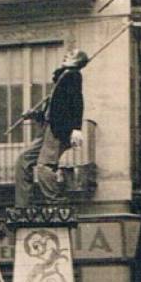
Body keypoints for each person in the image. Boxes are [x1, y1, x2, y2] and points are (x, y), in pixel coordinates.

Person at [14, 49, 88, 206]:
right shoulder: (62, 77)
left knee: (44, 167)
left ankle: (56, 202)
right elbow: (54, 111)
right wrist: (34, 115)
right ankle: (23, 206)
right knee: (23, 161)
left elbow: (77, 101)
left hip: (56, 130)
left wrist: (76, 128)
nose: (66, 54)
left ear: (77, 61)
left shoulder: (73, 75)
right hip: (47, 127)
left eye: (71, 54)